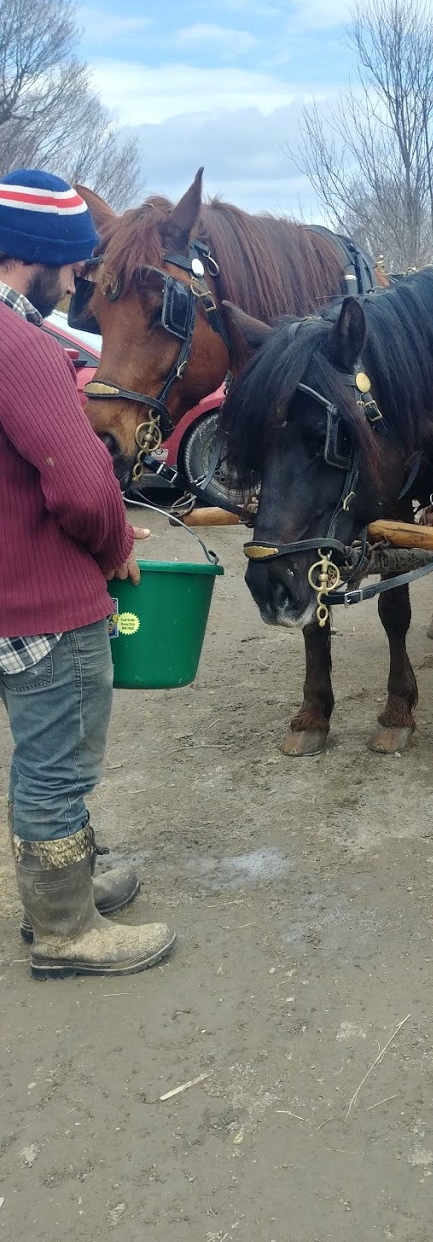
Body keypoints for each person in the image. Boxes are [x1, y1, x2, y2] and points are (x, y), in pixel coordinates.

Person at [0, 168, 176, 979]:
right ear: (33, 256)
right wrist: (114, 545)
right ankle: (65, 928)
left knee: (46, 759)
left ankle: (70, 887)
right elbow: (78, 480)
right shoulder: (22, 348)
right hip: (43, 599)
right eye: (70, 266)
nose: (75, 280)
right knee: (57, 761)